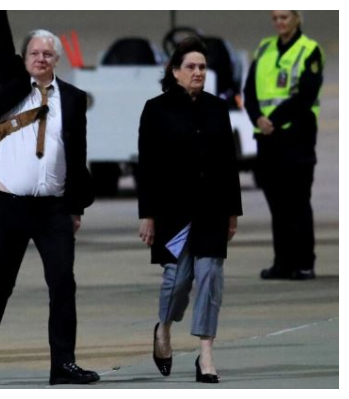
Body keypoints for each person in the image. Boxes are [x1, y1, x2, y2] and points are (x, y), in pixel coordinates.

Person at [0, 11, 98, 385]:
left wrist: (75, 206)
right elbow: (2, 43)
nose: (41, 58)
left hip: (53, 208)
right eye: (34, 53)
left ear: (57, 60)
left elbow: (78, 152)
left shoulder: (72, 98)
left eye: (48, 54)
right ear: (23, 60)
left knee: (63, 283)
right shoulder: (12, 87)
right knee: (0, 284)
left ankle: (63, 364)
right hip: (9, 206)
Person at [137, 37, 242, 383]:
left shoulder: (216, 108)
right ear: (175, 71)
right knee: (177, 281)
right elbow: (148, 167)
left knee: (211, 277)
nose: (198, 72)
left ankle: (206, 355)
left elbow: (229, 162)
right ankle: (164, 328)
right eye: (191, 67)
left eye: (202, 67)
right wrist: (147, 214)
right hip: (172, 213)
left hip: (212, 210)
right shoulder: (156, 109)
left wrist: (232, 212)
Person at [243, 11, 324, 281]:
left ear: (297, 19)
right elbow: (249, 91)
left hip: (296, 136)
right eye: (275, 18)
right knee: (276, 203)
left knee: (298, 201)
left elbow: (306, 95)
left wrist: (273, 120)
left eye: (285, 17)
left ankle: (304, 263)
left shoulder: (309, 50)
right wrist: (256, 117)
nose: (280, 22)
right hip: (267, 139)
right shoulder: (264, 48)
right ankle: (283, 262)